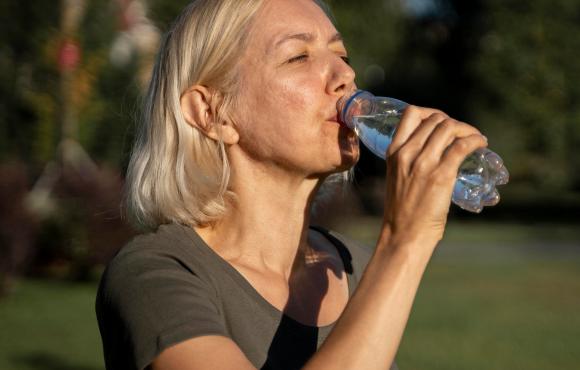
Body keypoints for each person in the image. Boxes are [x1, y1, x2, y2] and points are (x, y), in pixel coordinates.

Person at [95, 0, 488, 369]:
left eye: (342, 55)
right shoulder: (155, 274)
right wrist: (405, 242)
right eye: (298, 56)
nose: (346, 76)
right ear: (212, 113)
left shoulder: (354, 264)